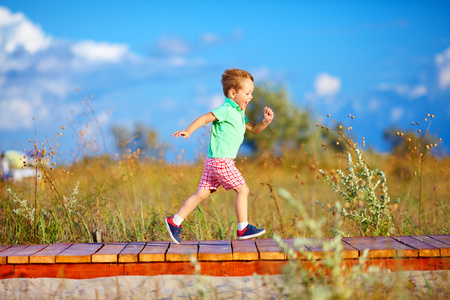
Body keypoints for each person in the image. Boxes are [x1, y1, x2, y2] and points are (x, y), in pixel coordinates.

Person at [164, 68, 274, 244]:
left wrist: (265, 122)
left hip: (213, 161)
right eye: (247, 93)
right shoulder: (226, 110)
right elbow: (205, 118)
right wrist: (189, 130)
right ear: (233, 93)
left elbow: (254, 129)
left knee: (201, 194)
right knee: (243, 190)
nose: (251, 97)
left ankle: (174, 221)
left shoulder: (239, 113)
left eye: (251, 93)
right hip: (221, 161)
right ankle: (243, 228)